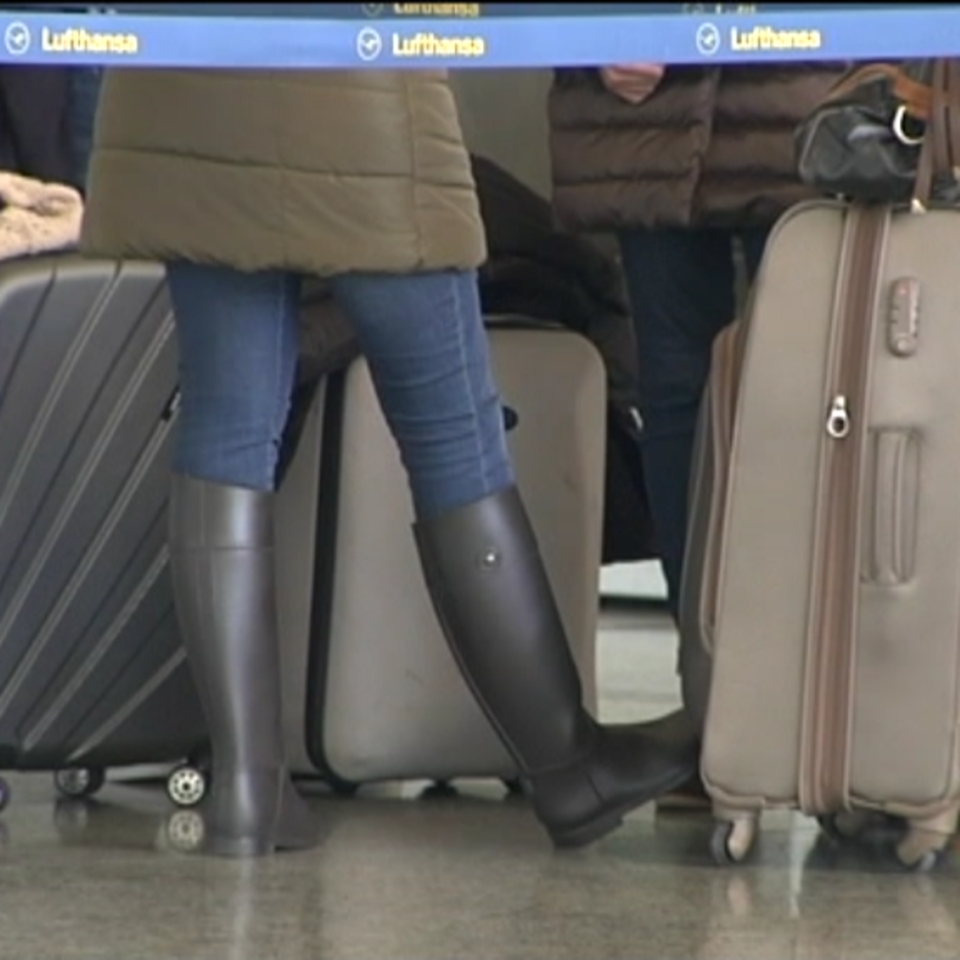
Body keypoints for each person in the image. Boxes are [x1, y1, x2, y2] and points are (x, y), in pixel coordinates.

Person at [79, 68, 698, 858]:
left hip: (183, 85)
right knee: (451, 429)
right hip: (350, 97)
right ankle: (569, 765)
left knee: (227, 425)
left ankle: (248, 785)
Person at [547, 61, 847, 807]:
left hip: (805, 81)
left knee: (827, 397)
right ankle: (712, 704)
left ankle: (838, 712)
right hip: (654, 109)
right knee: (679, 397)